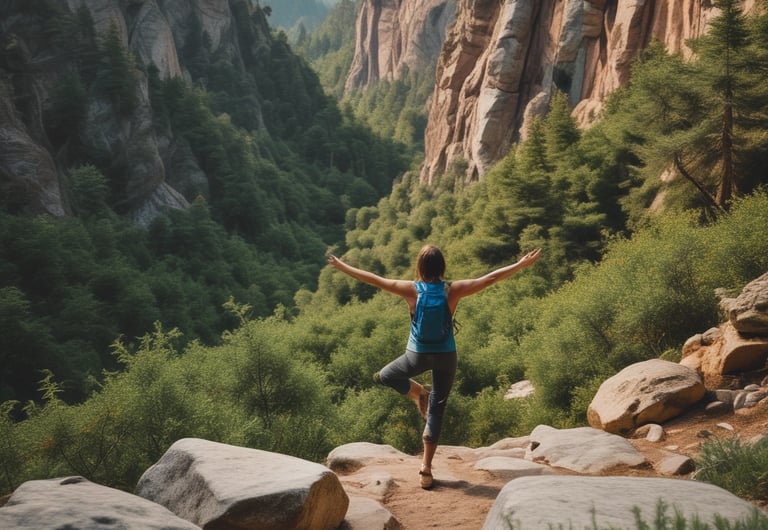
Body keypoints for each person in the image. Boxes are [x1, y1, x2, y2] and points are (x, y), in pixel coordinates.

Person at [327, 244, 542, 489]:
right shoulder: (453, 290)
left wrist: (341, 266)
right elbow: (490, 278)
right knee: (437, 409)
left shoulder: (411, 290)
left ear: (419, 267)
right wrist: (521, 264)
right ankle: (426, 470)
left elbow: (374, 279)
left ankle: (418, 392)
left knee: (386, 375)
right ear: (442, 266)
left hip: (416, 355)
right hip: (446, 355)